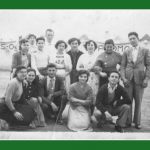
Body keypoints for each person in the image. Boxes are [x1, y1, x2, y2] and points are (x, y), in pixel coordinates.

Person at [120, 32, 150, 129]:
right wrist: (123, 78)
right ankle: (128, 121)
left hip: (140, 80)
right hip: (128, 80)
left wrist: (146, 79)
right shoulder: (126, 51)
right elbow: (122, 66)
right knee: (128, 100)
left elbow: (148, 66)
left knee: (138, 101)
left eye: (134, 38)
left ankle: (137, 122)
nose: (132, 40)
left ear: (138, 38)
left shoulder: (145, 50)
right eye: (130, 39)